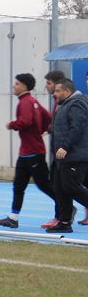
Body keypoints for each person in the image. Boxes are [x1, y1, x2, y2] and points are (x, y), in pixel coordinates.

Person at [0, 73, 55, 229]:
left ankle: (65, 207)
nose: (14, 86)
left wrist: (12, 125)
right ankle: (13, 218)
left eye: (17, 84)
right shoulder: (33, 101)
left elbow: (26, 121)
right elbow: (48, 117)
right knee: (19, 185)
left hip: (33, 152)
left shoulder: (25, 102)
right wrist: (40, 130)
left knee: (44, 185)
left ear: (24, 86)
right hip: (28, 152)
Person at [46, 78, 88, 233]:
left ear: (67, 91)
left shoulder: (77, 104)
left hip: (74, 156)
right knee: (59, 189)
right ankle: (64, 222)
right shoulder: (64, 105)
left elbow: (77, 127)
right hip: (62, 158)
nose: (55, 94)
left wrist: (65, 146)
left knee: (71, 187)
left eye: (58, 91)